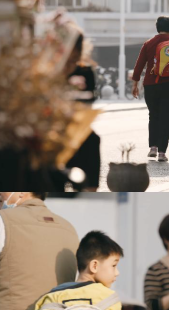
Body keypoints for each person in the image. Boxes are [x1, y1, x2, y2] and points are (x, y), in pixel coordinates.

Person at [131, 16, 169, 162]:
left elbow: (139, 65)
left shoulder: (148, 43)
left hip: (150, 84)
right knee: (166, 118)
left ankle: (153, 147)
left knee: (153, 115)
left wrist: (135, 84)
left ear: (157, 28)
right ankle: (162, 153)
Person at [64, 25, 101, 191]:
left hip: (77, 123)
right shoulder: (49, 68)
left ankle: (90, 190)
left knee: (92, 140)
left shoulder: (85, 70)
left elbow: (90, 100)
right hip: (52, 124)